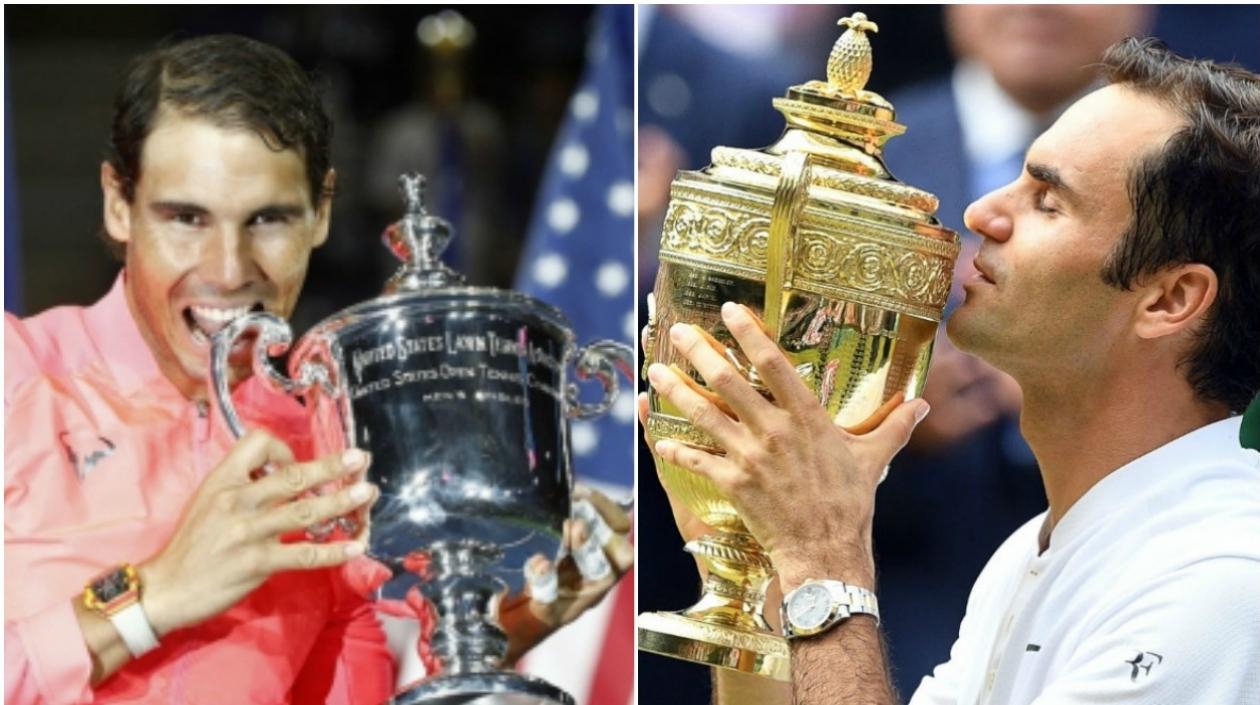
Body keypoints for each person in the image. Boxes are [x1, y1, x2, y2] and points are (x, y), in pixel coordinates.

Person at [4, 34, 632, 704]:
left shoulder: (329, 450)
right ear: (117, 203)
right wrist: (150, 597)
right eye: (185, 217)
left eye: (268, 220)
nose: (227, 270)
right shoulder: (16, 372)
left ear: (322, 213)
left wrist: (498, 632)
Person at [643, 37, 1260, 705]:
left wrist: (824, 558)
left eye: (1048, 202)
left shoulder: (1221, 580)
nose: (981, 214)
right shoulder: (1034, 553)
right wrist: (765, 559)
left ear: (1170, 299)